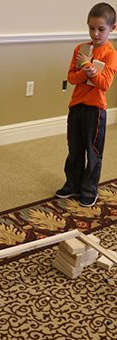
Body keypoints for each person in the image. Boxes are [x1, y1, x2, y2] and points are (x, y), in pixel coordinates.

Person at [55, 2, 117, 207]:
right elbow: (72, 78)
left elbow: (104, 84)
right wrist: (85, 70)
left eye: (101, 29)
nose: (96, 33)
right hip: (76, 106)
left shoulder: (110, 54)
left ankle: (90, 190)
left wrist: (88, 66)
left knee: (93, 151)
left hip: (95, 108)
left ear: (112, 29)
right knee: (74, 148)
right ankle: (72, 185)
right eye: (91, 28)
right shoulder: (80, 49)